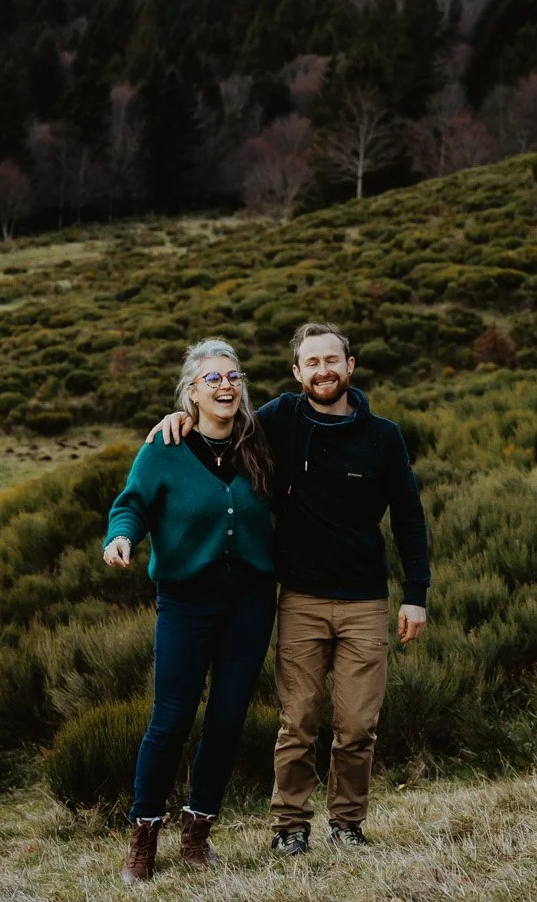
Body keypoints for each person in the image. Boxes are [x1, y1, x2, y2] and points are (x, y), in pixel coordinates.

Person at [148, 320, 430, 857]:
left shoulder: (383, 436)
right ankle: (289, 827)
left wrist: (415, 593)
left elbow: (410, 519)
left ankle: (347, 823)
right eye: (312, 363)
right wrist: (181, 416)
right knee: (297, 720)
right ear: (297, 372)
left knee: (356, 726)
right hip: (298, 599)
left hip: (366, 602)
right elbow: (221, 424)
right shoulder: (278, 418)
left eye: (332, 361)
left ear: (350, 367)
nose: (323, 371)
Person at [104, 338, 277, 883]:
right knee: (171, 721)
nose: (226, 385)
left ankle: (197, 834)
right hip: (186, 603)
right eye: (213, 379)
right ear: (191, 394)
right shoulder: (165, 447)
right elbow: (131, 503)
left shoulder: (260, 441)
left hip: (250, 603)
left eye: (234, 376)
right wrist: (121, 537)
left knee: (226, 721)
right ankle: (143, 835)